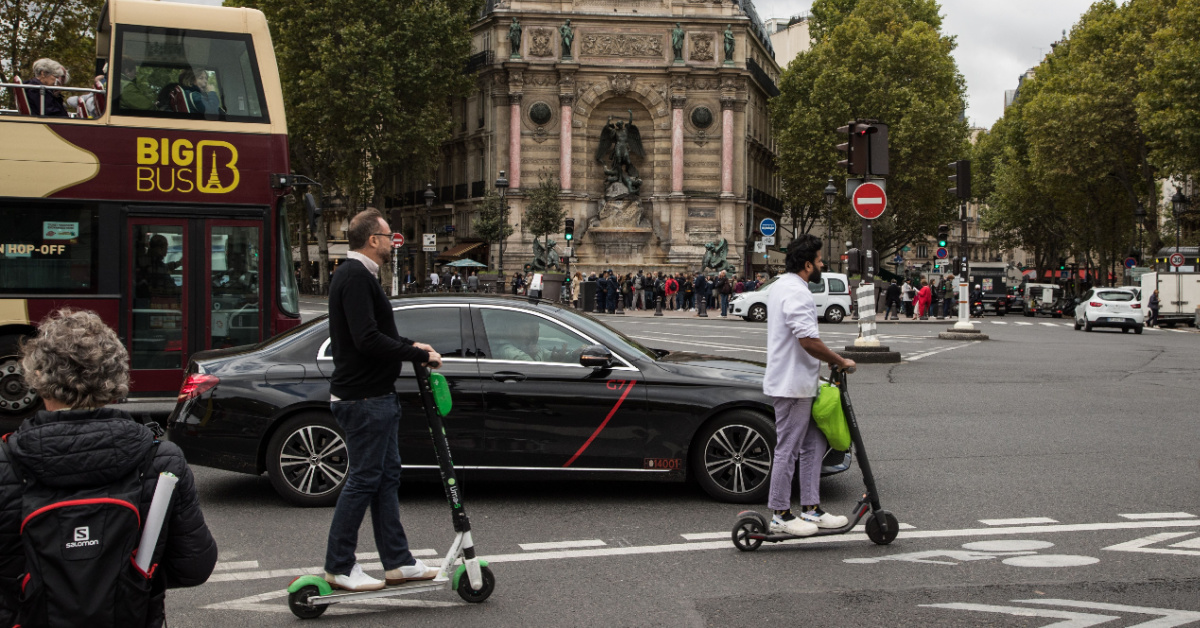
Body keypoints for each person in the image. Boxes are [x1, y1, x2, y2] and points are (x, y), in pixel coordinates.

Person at [0, 309, 217, 625]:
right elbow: (195, 565)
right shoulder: (160, 461)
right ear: (114, 376)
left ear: (37, 376)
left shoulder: (7, 462)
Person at [324, 209, 444, 592]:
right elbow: (366, 339)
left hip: (374, 396)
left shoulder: (358, 275)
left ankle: (398, 561)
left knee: (386, 477)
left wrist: (411, 345)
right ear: (372, 240)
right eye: (388, 234)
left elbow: (375, 333)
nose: (393, 240)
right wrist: (418, 355)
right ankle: (340, 565)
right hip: (363, 399)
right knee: (363, 480)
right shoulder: (355, 276)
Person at [764, 234, 855, 537]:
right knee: (788, 449)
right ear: (807, 265)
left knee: (813, 445)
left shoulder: (783, 286)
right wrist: (839, 359)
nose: (821, 264)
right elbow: (808, 340)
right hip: (791, 385)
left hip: (801, 382)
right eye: (818, 260)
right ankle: (779, 513)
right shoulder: (796, 292)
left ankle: (811, 508)